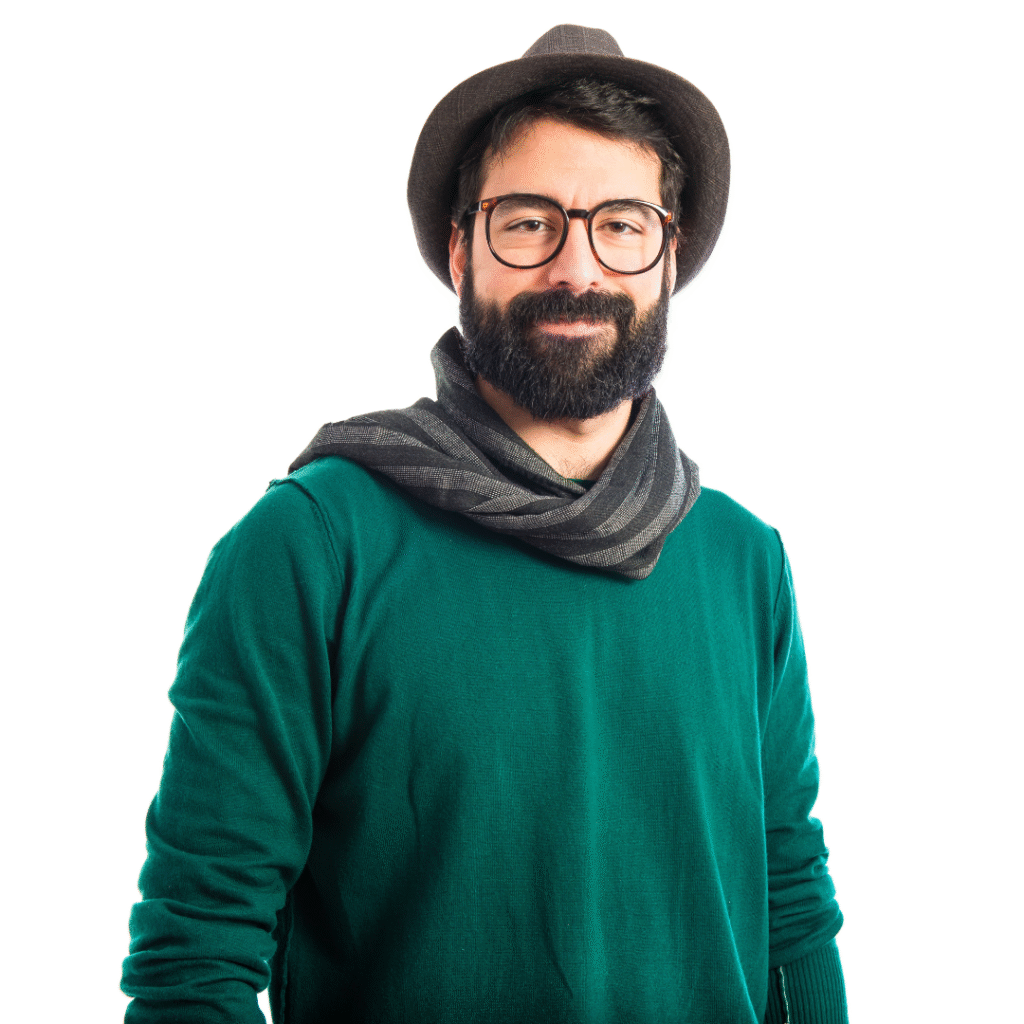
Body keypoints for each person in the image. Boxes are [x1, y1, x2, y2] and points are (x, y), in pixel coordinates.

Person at [121, 24, 846, 1024]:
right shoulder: (311, 546)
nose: (576, 268)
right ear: (462, 248)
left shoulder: (742, 561)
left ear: (668, 257)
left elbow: (790, 910)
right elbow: (194, 961)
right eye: (529, 221)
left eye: (621, 224)